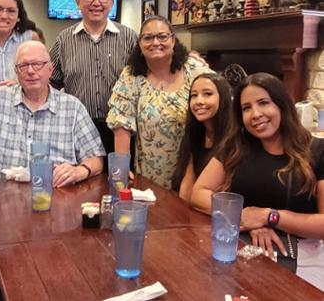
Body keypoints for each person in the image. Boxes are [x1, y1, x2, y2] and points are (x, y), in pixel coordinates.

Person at [190, 72, 324, 291]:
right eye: (246, 108)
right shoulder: (235, 147)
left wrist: (269, 217)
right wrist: (242, 216)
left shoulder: (317, 150)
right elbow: (199, 193)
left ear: (282, 105)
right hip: (244, 249)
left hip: (302, 255)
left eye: (263, 103)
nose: (255, 114)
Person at [0, 41, 105, 187]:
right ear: (16, 71)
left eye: (37, 64)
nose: (30, 71)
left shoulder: (72, 107)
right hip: (1, 194)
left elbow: (96, 157)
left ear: (50, 69)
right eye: (23, 66)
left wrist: (79, 171)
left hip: (56, 195)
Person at [106, 15, 211, 188]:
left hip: (196, 168)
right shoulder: (131, 76)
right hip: (152, 175)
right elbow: (121, 122)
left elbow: (219, 99)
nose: (155, 42)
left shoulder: (195, 69)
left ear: (173, 41)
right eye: (148, 38)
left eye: (162, 36)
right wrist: (121, 168)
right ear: (139, 45)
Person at [50, 0, 138, 158]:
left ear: (111, 2)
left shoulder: (130, 38)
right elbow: (50, 82)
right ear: (78, 1)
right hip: (78, 129)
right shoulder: (63, 40)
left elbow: (147, 76)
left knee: (120, 183)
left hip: (122, 131)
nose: (96, 2)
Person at [171, 73, 233, 201]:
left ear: (224, 98)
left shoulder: (234, 139)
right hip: (197, 208)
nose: (199, 101)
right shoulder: (195, 135)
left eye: (208, 94)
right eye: (194, 95)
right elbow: (188, 182)